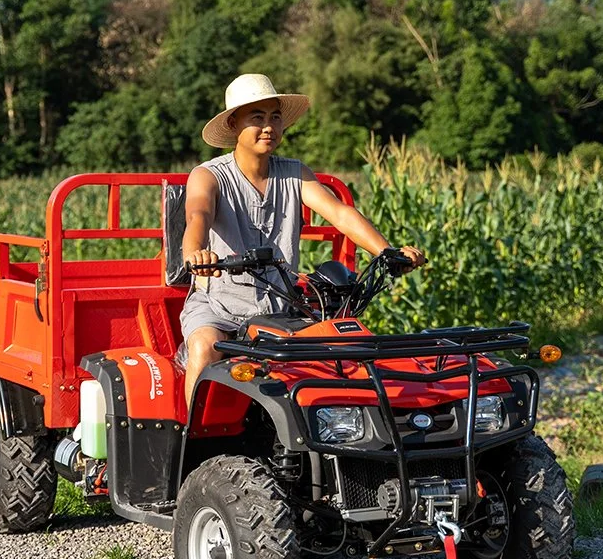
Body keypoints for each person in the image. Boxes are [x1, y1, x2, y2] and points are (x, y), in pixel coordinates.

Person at [180, 73, 426, 404]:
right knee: (205, 346)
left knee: (338, 352)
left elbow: (339, 213)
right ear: (234, 124)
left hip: (282, 308)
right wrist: (197, 253)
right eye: (257, 117)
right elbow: (198, 215)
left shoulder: (295, 172)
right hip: (219, 306)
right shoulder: (210, 175)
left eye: (275, 117)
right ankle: (194, 443)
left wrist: (387, 252)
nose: (268, 126)